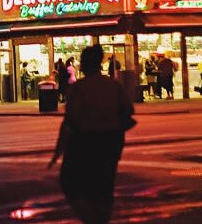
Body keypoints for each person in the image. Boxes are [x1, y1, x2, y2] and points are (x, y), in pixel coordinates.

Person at [48, 44, 136, 224]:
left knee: (72, 182)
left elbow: (70, 121)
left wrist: (59, 151)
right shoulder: (114, 85)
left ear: (84, 64)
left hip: (86, 142)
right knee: (104, 186)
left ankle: (91, 218)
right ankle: (101, 218)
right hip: (112, 141)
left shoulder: (79, 88)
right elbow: (128, 110)